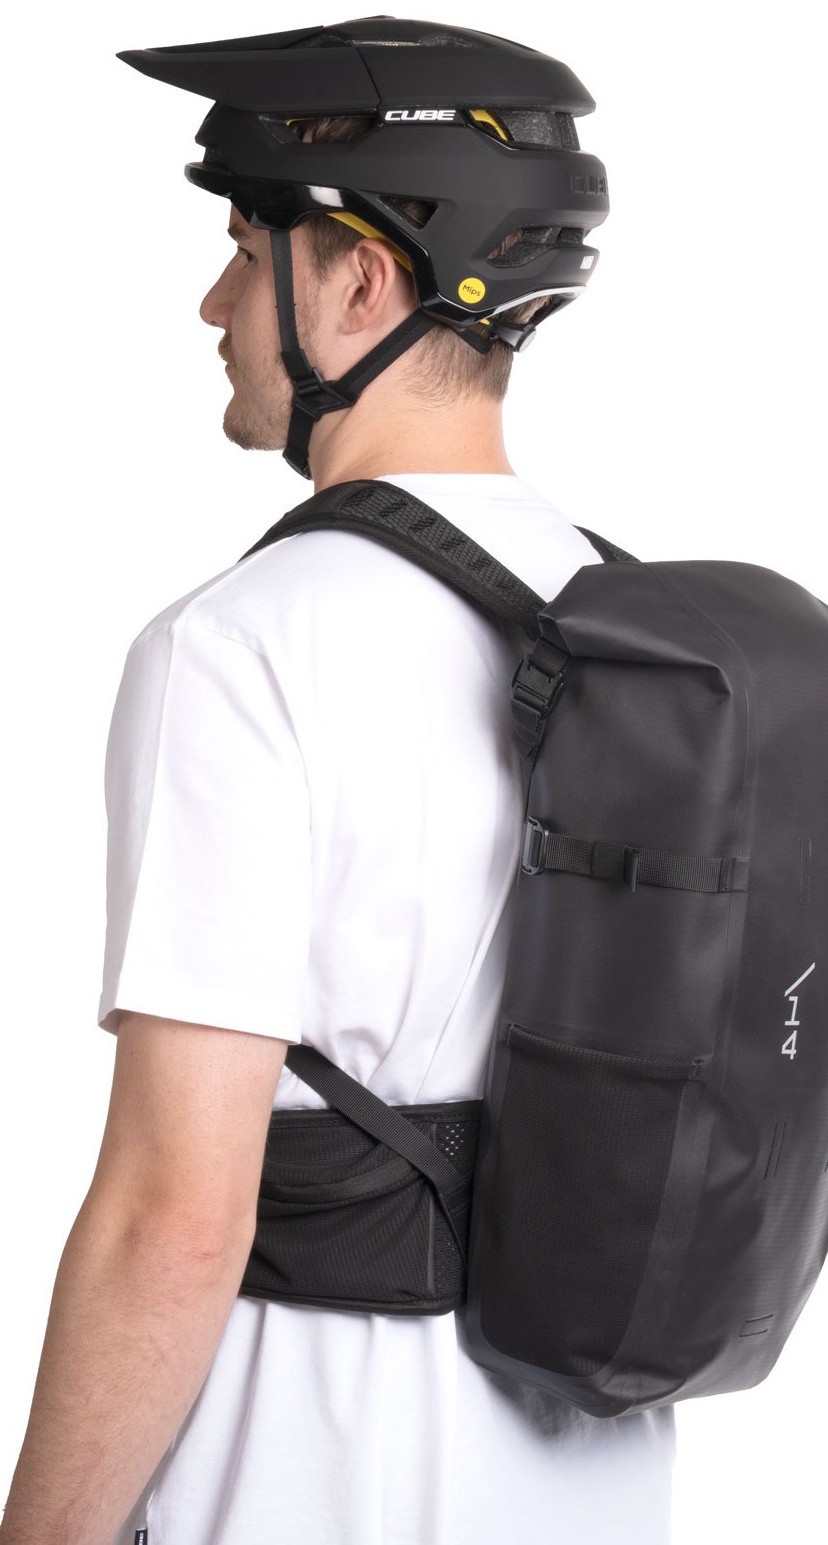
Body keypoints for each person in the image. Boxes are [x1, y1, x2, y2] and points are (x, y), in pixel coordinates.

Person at [0, 18, 676, 1545]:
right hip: (594, 1484)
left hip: (311, 1476)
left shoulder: (242, 645)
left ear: (361, 281)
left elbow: (173, 1215)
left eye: (247, 255)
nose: (214, 304)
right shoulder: (631, 627)